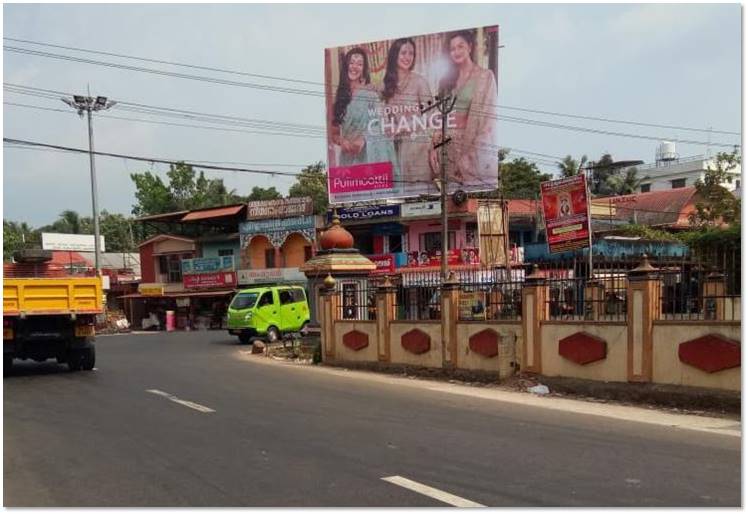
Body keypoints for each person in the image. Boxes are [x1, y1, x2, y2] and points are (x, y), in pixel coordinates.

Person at [433, 30, 497, 189]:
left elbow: (488, 121)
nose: (456, 52)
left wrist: (468, 159)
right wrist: (432, 148)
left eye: (460, 46)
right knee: (446, 206)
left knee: (470, 201)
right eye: (452, 48)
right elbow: (438, 119)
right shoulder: (446, 81)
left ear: (470, 47)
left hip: (472, 152)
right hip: (446, 152)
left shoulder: (485, 77)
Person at [332, 47, 399, 186]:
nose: (355, 67)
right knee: (350, 200)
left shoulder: (370, 95)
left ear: (363, 69)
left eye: (359, 64)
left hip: (369, 156)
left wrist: (364, 139)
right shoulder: (339, 99)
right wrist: (342, 141)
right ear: (346, 66)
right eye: (352, 62)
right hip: (347, 160)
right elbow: (334, 133)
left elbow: (381, 125)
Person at [381, 38, 434, 196]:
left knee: (420, 196)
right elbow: (383, 116)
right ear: (394, 55)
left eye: (411, 53)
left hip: (419, 147)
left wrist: (401, 127)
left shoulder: (419, 82)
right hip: (396, 149)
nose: (407, 57)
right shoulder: (386, 85)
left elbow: (430, 116)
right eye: (403, 52)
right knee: (400, 196)